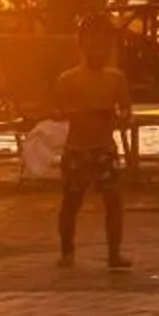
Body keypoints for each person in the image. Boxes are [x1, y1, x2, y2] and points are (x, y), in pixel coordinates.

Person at [51, 16, 131, 269]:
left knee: (113, 200)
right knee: (71, 201)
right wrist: (83, 113)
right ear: (82, 46)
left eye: (106, 47)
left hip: (104, 149)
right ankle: (67, 250)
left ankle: (114, 253)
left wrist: (121, 118)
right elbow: (57, 112)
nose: (102, 52)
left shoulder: (116, 78)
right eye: (96, 46)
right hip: (77, 149)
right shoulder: (69, 79)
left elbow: (127, 110)